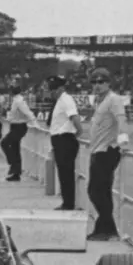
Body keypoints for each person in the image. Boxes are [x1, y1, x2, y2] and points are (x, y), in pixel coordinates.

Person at [86, 68, 128, 241]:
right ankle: (107, 228)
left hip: (107, 150)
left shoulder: (114, 99)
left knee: (96, 191)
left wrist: (124, 143)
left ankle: (105, 227)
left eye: (101, 82)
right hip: (98, 149)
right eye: (94, 82)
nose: (97, 85)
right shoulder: (100, 101)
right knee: (101, 191)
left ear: (108, 83)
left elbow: (121, 120)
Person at [47, 75, 82, 211]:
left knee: (66, 173)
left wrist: (78, 131)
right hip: (59, 139)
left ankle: (68, 203)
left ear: (61, 88)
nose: (52, 92)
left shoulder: (66, 100)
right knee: (63, 172)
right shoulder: (60, 100)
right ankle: (67, 201)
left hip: (65, 139)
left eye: (54, 89)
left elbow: (74, 117)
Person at [1, 84, 36, 181]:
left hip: (19, 127)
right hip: (15, 126)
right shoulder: (16, 100)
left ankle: (13, 165)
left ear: (12, 92)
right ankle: (16, 173)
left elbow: (27, 112)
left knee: (4, 143)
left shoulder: (19, 101)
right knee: (15, 149)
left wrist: (35, 122)